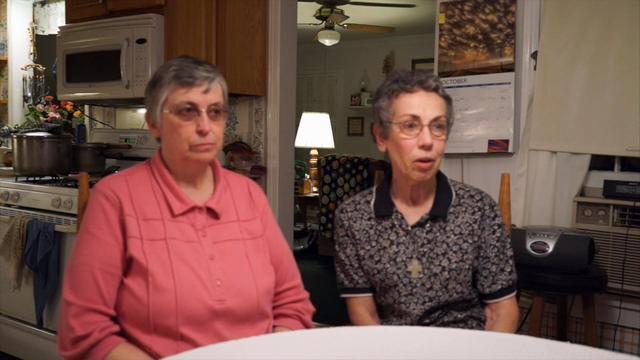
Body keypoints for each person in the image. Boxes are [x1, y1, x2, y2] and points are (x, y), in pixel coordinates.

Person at [58, 56, 315, 359]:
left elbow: (292, 304)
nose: (205, 127)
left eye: (216, 112)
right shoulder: (115, 200)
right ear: (154, 123)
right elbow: (85, 329)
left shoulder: (249, 195)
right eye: (187, 111)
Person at [334, 70, 519, 332]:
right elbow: (364, 313)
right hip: (391, 350)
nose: (427, 141)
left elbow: (502, 311)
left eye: (438, 126)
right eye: (410, 126)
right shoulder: (354, 217)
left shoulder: (478, 209)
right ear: (380, 137)